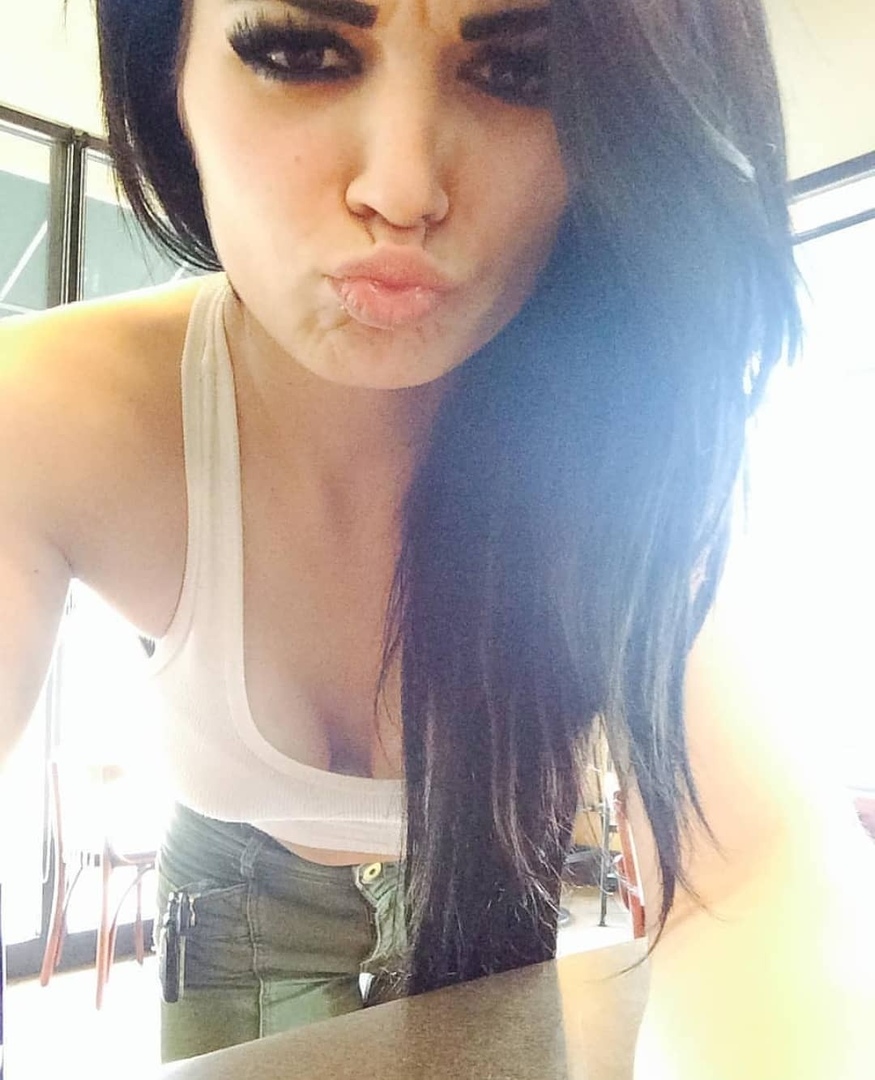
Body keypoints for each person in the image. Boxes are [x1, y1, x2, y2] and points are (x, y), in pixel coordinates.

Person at [1, 0, 873, 1073]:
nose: (403, 189)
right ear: (163, 75)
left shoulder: (615, 435)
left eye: (518, 74)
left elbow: (759, 867)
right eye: (301, 53)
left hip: (493, 883)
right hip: (237, 896)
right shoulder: (48, 411)